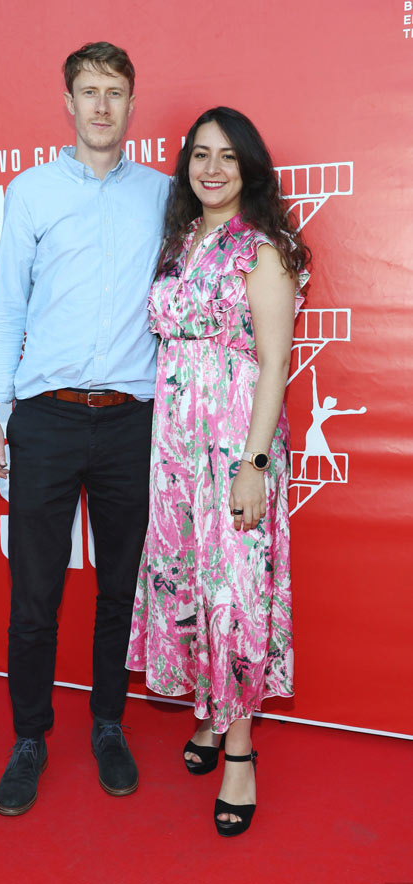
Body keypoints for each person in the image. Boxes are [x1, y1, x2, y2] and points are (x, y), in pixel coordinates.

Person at [0, 41, 169, 815]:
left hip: (131, 422)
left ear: (131, 103)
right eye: (89, 91)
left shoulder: (162, 195)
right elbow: (6, 307)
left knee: (121, 588)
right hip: (45, 420)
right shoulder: (30, 192)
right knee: (34, 594)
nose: (101, 106)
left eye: (114, 91)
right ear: (68, 102)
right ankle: (30, 737)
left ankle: (109, 723)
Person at [126, 107, 310, 836]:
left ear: (249, 168)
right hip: (174, 447)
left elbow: (274, 363)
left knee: (235, 591)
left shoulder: (263, 250)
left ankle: (239, 752)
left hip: (236, 442)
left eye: (228, 156)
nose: (212, 168)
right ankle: (209, 713)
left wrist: (253, 464)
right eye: (200, 155)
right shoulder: (178, 243)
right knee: (190, 581)